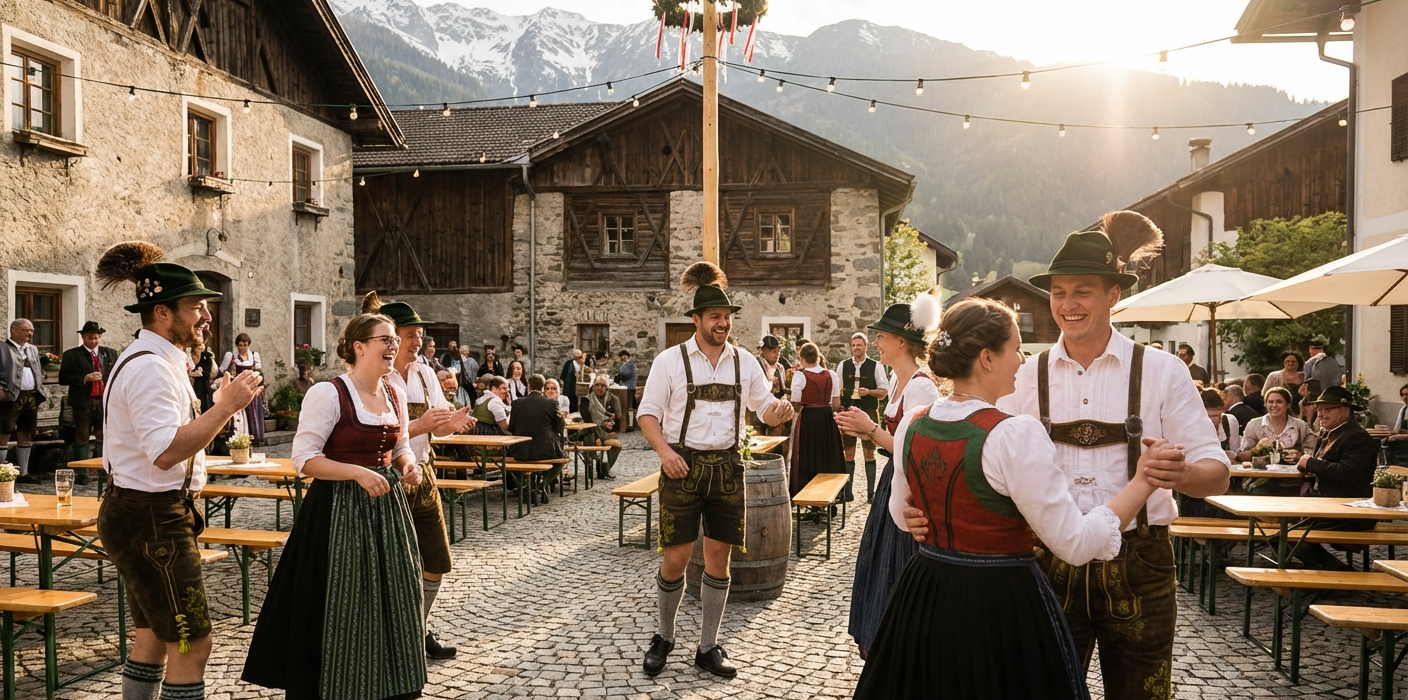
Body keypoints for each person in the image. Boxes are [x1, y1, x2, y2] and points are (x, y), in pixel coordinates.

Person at [904, 212, 1230, 699]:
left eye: (1082, 292)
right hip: (1044, 565)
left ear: (1113, 295)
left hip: (1140, 563)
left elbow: (1218, 474)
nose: (1067, 304)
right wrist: (927, 507)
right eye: (1058, 292)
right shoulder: (1020, 375)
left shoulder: (1163, 371)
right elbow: (980, 453)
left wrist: (1178, 473)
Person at [855, 298, 1169, 699]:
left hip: (926, 593)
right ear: (987, 358)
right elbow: (1076, 544)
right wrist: (1143, 481)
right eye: (1017, 349)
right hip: (997, 602)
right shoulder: (1011, 434)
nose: (1022, 360)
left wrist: (928, 520)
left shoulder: (913, 424)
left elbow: (901, 515)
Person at [92, 241, 261, 700]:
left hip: (143, 512)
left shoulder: (156, 360)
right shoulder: (151, 369)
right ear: (162, 312)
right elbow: (165, 452)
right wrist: (226, 408)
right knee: (192, 643)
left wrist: (217, 405)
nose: (205, 316)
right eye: (195, 307)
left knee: (153, 636)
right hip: (152, 517)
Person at [242, 310, 427, 699]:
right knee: (339, 601)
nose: (394, 346)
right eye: (385, 339)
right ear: (359, 347)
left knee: (395, 596)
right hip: (336, 513)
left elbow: (401, 448)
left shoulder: (394, 392)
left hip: (387, 511)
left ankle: (389, 684)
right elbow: (304, 460)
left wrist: (409, 465)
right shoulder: (328, 393)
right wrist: (356, 473)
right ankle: (335, 685)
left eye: (395, 339)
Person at [637, 262, 795, 680]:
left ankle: (708, 646)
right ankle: (664, 635)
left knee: (719, 559)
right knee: (675, 558)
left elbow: (764, 408)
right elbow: (647, 415)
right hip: (681, 468)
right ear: (697, 319)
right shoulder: (669, 361)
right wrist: (665, 453)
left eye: (727, 317)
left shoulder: (744, 362)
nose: (723, 323)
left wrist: (778, 410)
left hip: (727, 467)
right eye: (715, 317)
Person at [834, 300, 942, 658]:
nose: (876, 342)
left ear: (901, 341)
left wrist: (870, 430)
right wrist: (863, 428)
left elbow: (916, 449)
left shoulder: (922, 388)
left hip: (911, 488)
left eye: (881, 336)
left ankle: (900, 654)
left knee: (899, 567)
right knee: (880, 563)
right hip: (892, 481)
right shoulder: (897, 379)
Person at [379, 296, 475, 660]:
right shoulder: (378, 377)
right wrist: (420, 425)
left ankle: (417, 630)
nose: (417, 341)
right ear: (391, 338)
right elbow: (377, 435)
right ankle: (393, 636)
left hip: (424, 474)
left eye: (420, 335)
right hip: (388, 480)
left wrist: (451, 423)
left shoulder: (424, 374)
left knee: (436, 560)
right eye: (410, 335)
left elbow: (440, 428)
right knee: (392, 564)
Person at [1292, 386, 1381, 570]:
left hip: (1349, 514)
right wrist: (1310, 471)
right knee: (1276, 529)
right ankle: (1333, 570)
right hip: (1326, 507)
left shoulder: (1357, 437)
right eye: (1319, 409)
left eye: (1328, 409)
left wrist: (1310, 463)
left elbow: (1348, 473)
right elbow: (1327, 468)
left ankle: (1341, 573)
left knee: (1288, 535)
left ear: (1346, 410)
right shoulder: (1328, 432)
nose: (1321, 414)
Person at [788, 343, 845, 499]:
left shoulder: (800, 376)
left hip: (808, 418)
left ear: (802, 358)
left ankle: (806, 494)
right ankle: (829, 495)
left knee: (808, 455)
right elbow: (836, 403)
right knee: (827, 454)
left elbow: (795, 402)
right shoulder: (831, 375)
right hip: (827, 417)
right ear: (818, 357)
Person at [838, 332, 890, 502]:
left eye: (859, 345)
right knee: (849, 451)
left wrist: (868, 392)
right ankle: (848, 493)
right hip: (849, 412)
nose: (856, 348)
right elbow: (837, 390)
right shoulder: (843, 365)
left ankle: (870, 493)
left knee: (869, 451)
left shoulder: (876, 366)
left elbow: (884, 392)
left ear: (865, 346)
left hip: (869, 412)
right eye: (853, 345)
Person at [59, 320, 118, 463]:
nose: (94, 341)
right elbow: (63, 378)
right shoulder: (72, 354)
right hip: (83, 402)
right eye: (90, 338)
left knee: (103, 434)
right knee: (82, 435)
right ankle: (82, 470)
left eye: (96, 337)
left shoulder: (109, 353)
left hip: (103, 400)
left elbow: (117, 374)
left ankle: (101, 467)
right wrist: (84, 378)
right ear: (83, 337)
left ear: (100, 337)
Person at [0, 318, 47, 482]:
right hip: (10, 396)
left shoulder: (32, 349)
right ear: (14, 330)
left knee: (27, 432)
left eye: (31, 330)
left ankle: (23, 473)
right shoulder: (2, 348)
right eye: (26, 330)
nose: (30, 333)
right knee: (3, 432)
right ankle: (2, 474)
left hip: (31, 396)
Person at [508, 374, 567, 499]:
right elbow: (559, 428)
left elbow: (511, 427)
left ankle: (525, 484)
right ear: (543, 388)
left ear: (528, 387)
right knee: (562, 459)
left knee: (509, 462)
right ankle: (542, 484)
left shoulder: (517, 403)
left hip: (521, 450)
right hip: (545, 450)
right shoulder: (551, 403)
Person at [220, 333, 265, 441]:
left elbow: (259, 372)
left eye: (245, 345)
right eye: (240, 345)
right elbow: (222, 371)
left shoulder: (254, 356)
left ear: (248, 345)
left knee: (252, 413)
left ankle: (253, 438)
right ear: (237, 345)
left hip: (251, 388)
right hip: (237, 389)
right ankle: (240, 437)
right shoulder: (231, 356)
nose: (243, 348)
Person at [581, 375, 624, 480]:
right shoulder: (586, 400)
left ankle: (605, 468)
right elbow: (587, 421)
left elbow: (617, 421)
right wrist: (597, 436)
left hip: (605, 432)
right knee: (591, 441)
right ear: (592, 387)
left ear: (607, 387)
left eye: (603, 385)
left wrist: (610, 425)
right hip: (589, 432)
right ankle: (591, 467)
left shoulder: (612, 400)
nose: (599, 388)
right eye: (597, 385)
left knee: (616, 446)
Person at [189, 337, 218, 414]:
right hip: (194, 387)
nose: (200, 347)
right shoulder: (189, 357)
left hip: (205, 387)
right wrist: (193, 374)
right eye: (198, 346)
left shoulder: (207, 358)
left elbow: (213, 374)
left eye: (202, 345)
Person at [1386, 383, 1408, 466]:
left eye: (1407, 395)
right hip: (1401, 446)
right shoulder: (1403, 409)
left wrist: (1397, 436)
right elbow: (1398, 429)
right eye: (1402, 395)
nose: (1404, 397)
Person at [615, 350, 637, 428]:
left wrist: (619, 376)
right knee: (627, 405)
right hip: (625, 387)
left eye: (625, 356)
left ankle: (630, 424)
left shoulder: (630, 364)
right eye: (622, 356)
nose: (623, 357)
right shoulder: (623, 365)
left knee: (629, 405)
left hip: (630, 387)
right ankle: (627, 423)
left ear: (628, 356)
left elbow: (627, 374)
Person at [560, 349, 586, 413]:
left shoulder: (583, 366)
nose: (580, 359)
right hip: (569, 388)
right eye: (578, 357)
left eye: (580, 357)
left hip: (579, 389)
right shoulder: (569, 364)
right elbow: (563, 376)